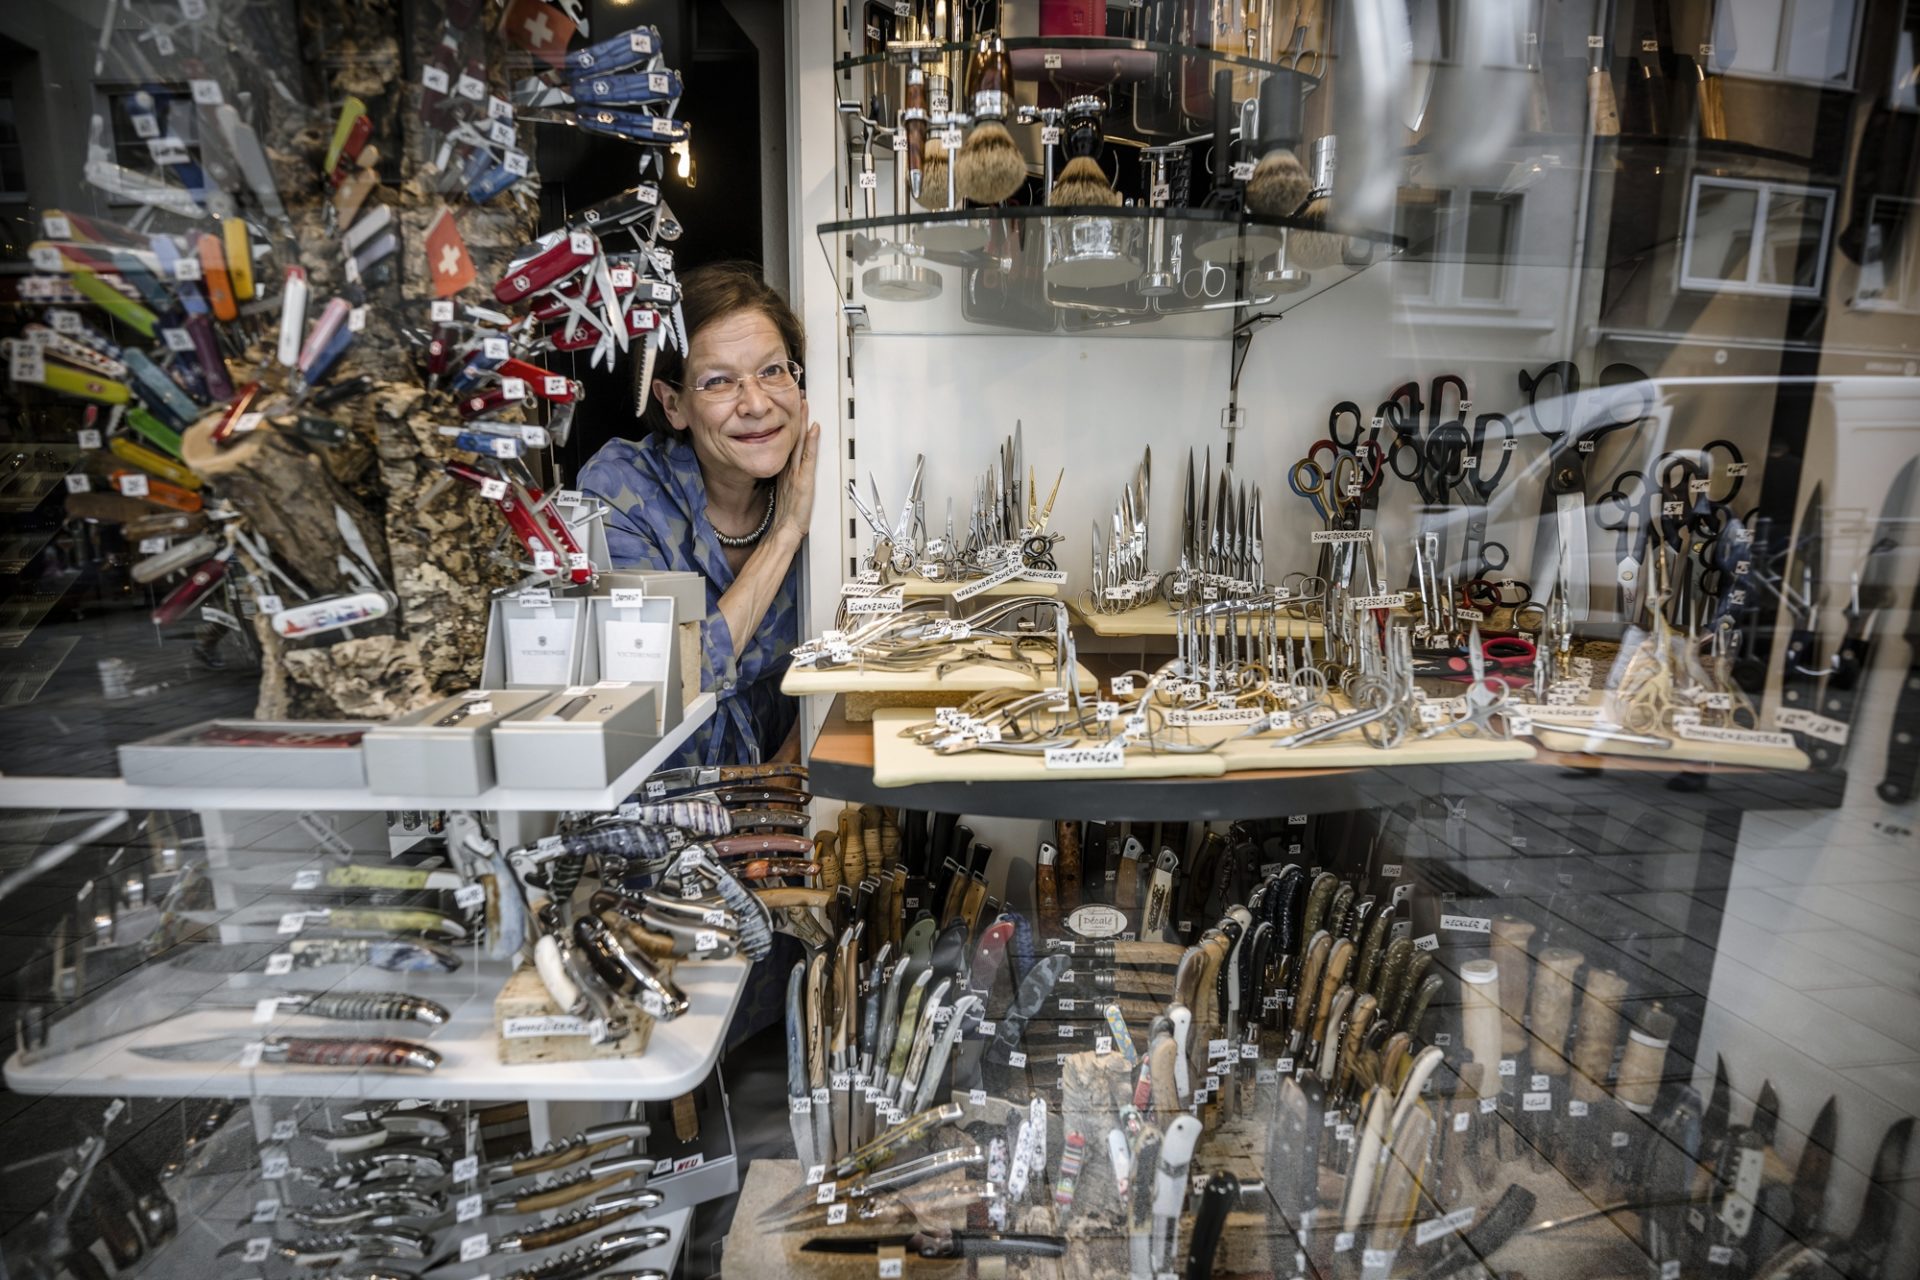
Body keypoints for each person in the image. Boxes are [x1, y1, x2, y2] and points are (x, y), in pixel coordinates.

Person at [579, 262, 820, 767]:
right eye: (718, 382)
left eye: (773, 371)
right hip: (661, 805)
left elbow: (841, 656)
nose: (756, 403)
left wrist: (787, 771)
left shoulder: (830, 477)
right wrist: (783, 538)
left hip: (791, 793)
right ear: (673, 404)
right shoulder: (622, 491)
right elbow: (670, 680)